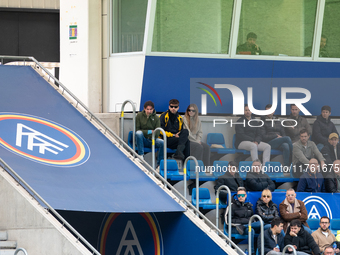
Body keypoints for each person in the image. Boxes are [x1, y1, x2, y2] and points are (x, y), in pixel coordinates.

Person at [225, 187, 260, 254]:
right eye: (239, 195)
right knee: (251, 230)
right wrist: (242, 222)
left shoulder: (249, 206)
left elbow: (253, 219)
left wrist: (246, 224)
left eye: (243, 195)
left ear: (246, 195)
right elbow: (227, 221)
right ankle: (252, 253)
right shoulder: (231, 206)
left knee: (261, 223)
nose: (241, 197)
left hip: (245, 227)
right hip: (236, 228)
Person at [261, 104, 293, 168]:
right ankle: (293, 159)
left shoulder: (277, 120)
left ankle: (286, 167)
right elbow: (263, 137)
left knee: (286, 145)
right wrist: (275, 136)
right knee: (287, 138)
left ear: (274, 111)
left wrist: (282, 137)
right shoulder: (262, 121)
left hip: (280, 141)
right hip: (269, 143)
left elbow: (283, 131)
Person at [135, 100, 164, 166]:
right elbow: (137, 130)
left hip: (152, 140)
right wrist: (150, 131)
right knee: (139, 133)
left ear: (153, 109)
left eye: (151, 109)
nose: (149, 111)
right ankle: (140, 156)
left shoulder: (156, 118)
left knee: (162, 142)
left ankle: (159, 165)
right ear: (144, 109)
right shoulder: (139, 116)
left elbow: (157, 133)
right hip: (143, 140)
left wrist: (145, 132)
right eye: (147, 109)